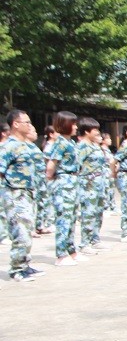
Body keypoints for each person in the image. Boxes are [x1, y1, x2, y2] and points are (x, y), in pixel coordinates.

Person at [0, 110, 44, 281]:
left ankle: (25, 264)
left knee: (26, 230)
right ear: (15, 124)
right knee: (20, 232)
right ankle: (17, 270)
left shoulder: (27, 146)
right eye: (26, 122)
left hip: (28, 193)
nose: (29, 125)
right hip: (14, 194)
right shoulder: (8, 146)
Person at [46, 111, 85, 267]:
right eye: (73, 124)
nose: (76, 127)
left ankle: (71, 251)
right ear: (65, 125)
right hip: (64, 182)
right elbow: (51, 165)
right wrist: (53, 180)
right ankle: (61, 254)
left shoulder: (71, 142)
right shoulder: (60, 142)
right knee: (64, 218)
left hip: (73, 181)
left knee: (71, 218)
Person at [75, 117, 110, 254]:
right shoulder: (82, 146)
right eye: (94, 130)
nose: (97, 132)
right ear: (86, 131)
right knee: (88, 213)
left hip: (98, 183)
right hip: (88, 184)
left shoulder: (95, 145)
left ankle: (95, 239)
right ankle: (85, 243)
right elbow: (77, 166)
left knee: (97, 212)